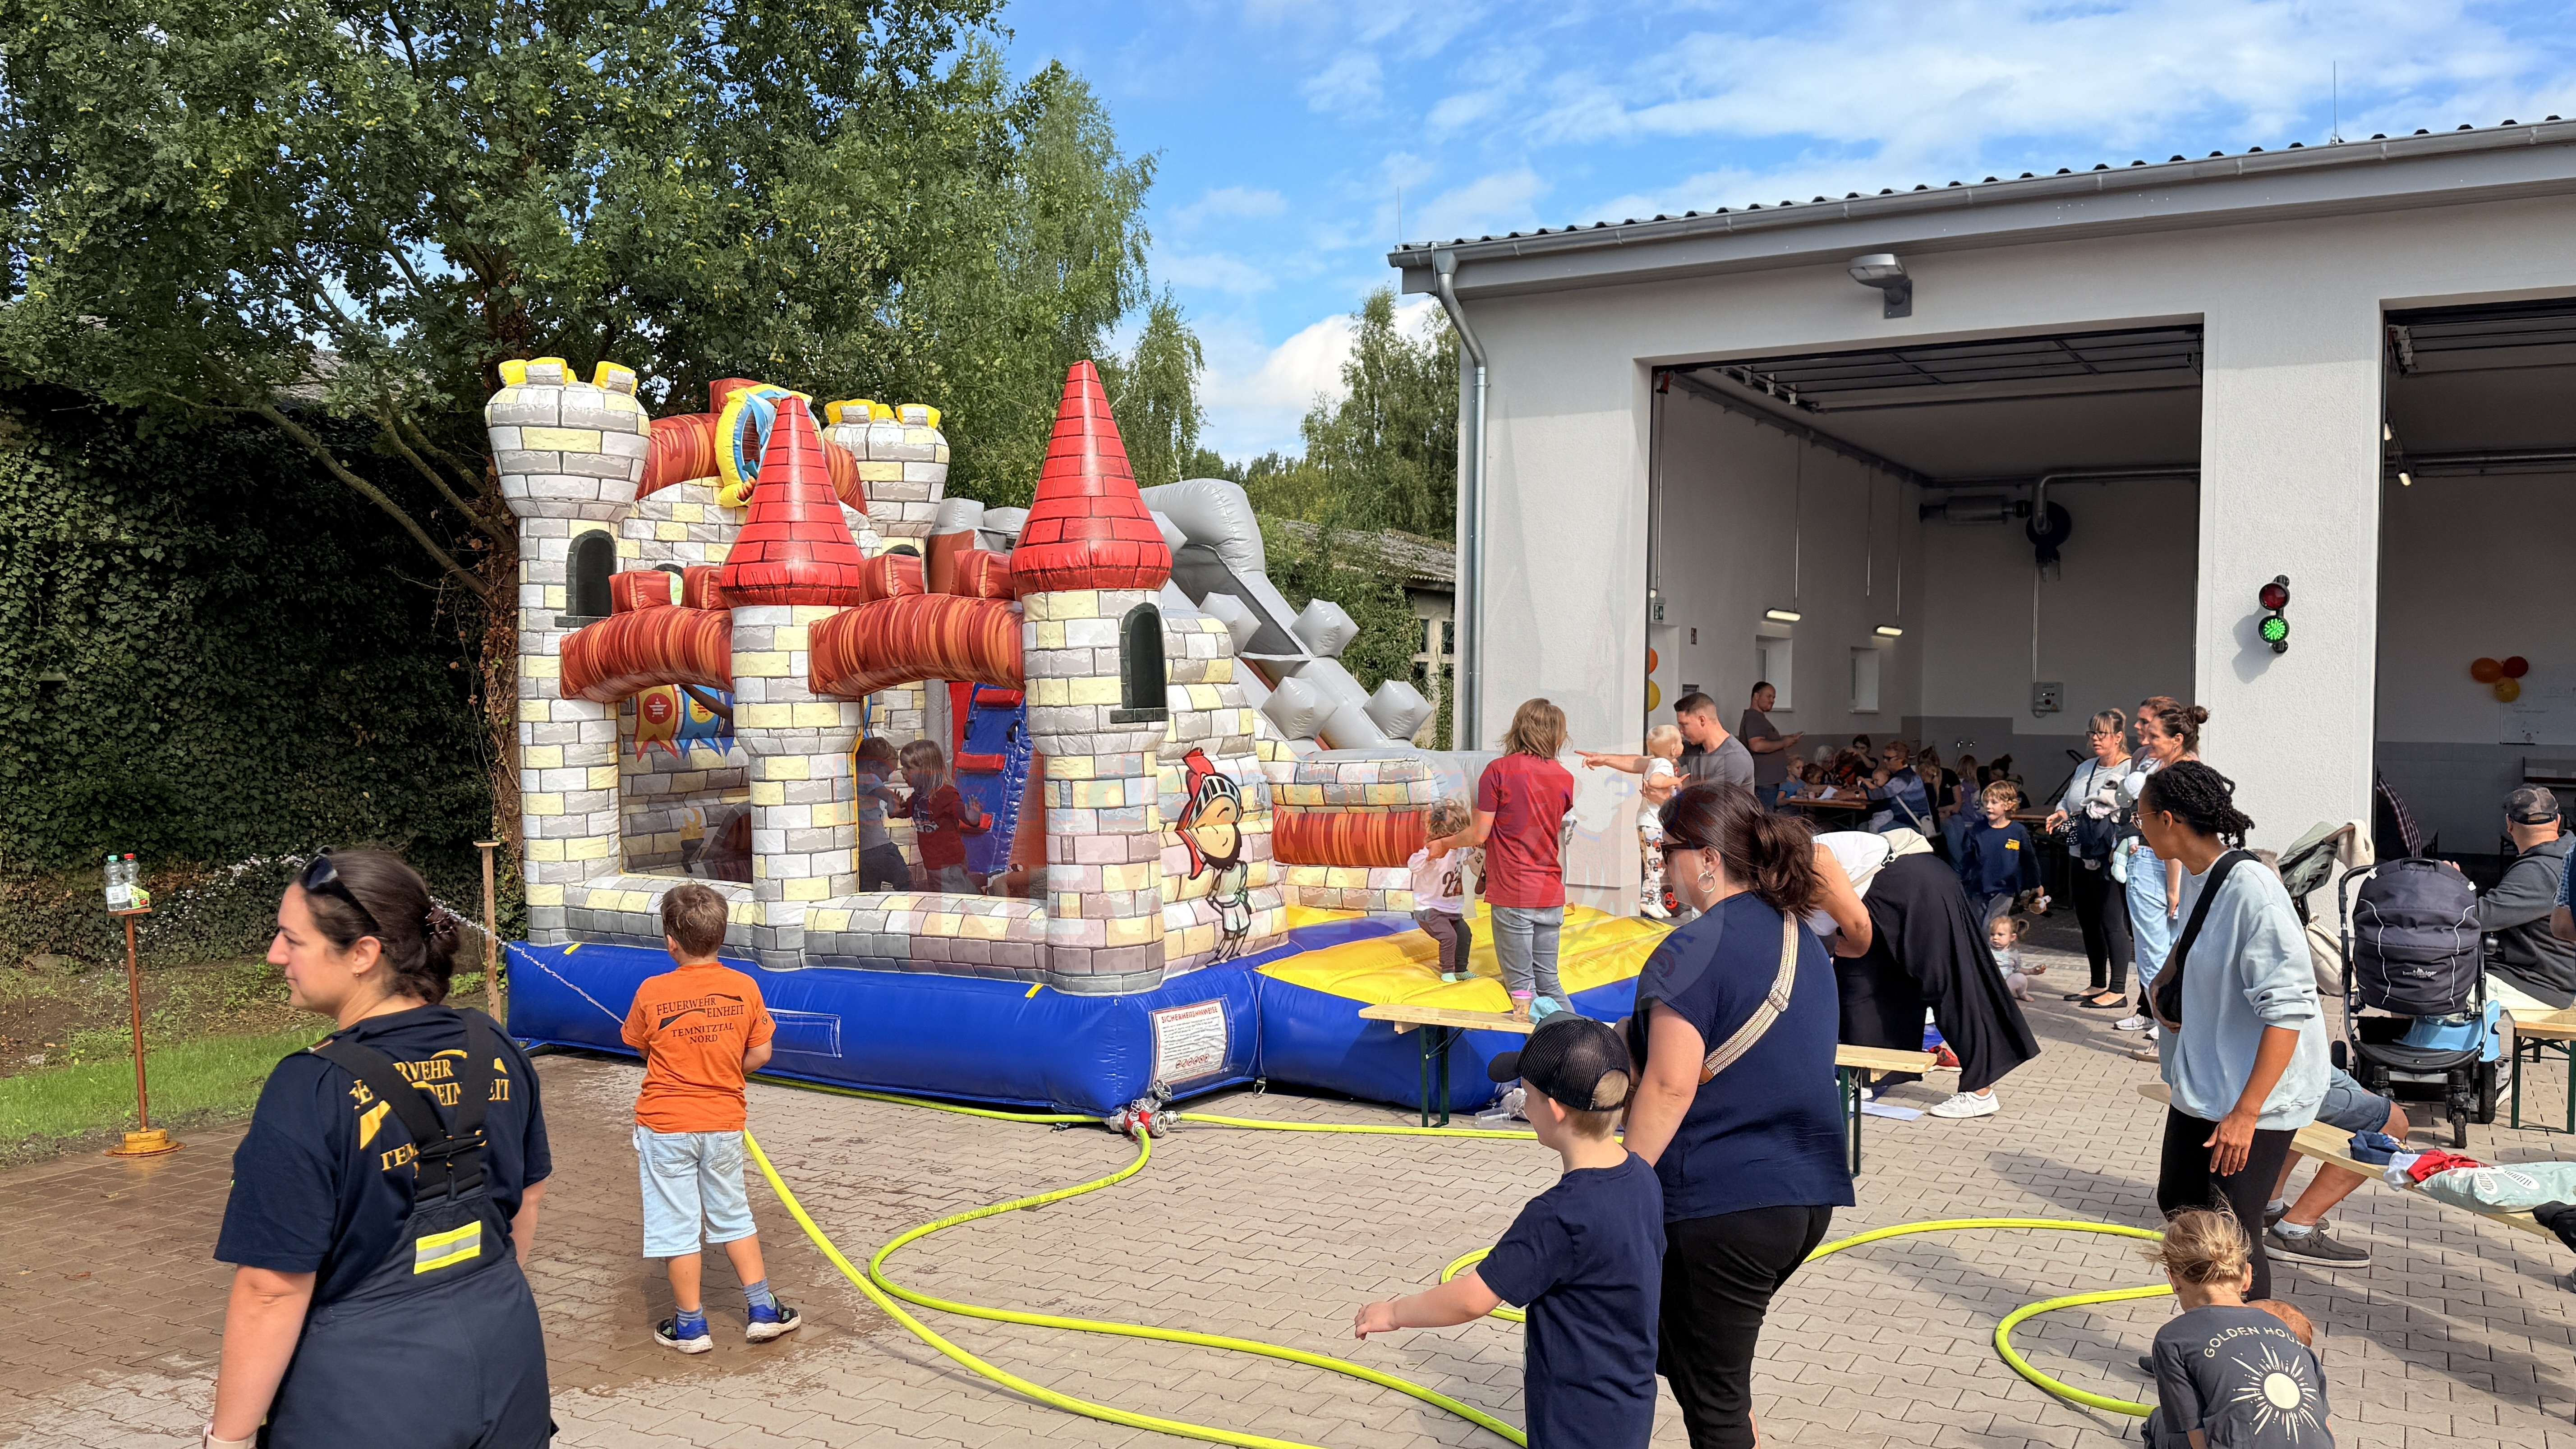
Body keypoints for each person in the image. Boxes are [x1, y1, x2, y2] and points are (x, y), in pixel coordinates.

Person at [209, 851, 553, 1449]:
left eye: (293, 939)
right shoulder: (494, 1045)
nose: (274, 955)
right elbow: (529, 1192)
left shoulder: (310, 1088)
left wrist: (229, 1440)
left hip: (368, 1397)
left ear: (363, 954)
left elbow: (271, 1289)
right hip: (507, 1364)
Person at [1621, 783, 1852, 1449]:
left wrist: (1620, 1186)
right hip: (1804, 1196)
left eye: (1666, 850)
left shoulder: (1690, 949)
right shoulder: (1800, 935)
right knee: (1703, 1364)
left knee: (1713, 1400)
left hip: (1722, 1202)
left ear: (1708, 859)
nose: (1661, 865)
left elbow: (1669, 1086)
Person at [1352, 1016, 1663, 1449]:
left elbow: (1473, 1298)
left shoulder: (1559, 1216)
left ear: (1554, 1108)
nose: (1523, 1104)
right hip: (1629, 1404)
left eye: (1527, 1094)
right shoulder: (1643, 1177)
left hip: (1576, 1420)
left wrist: (1394, 1312)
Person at [2140, 761, 2328, 1303]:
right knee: (2181, 1202)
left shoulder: (2254, 891)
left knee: (2233, 1231)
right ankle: (2207, 1326)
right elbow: (2192, 936)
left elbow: (2288, 1011)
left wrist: (2246, 1114)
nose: (2138, 827)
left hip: (2257, 1095)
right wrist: (2164, 980)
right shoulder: (2200, 873)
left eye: (2141, 816)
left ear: (2169, 820)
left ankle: (2248, 1339)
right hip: (2206, 1082)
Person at [622, 883, 800, 1352]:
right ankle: (762, 1310)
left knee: (676, 1224)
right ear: (722, 936)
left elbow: (641, 1046)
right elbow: (762, 1051)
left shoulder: (651, 991)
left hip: (665, 1126)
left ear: (671, 942)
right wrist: (724, 1069)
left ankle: (691, 1326)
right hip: (722, 1123)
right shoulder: (745, 986)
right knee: (733, 1213)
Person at [1837, 836, 2041, 1120]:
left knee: (1946, 980)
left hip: (1915, 885)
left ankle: (1980, 1090)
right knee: (1862, 977)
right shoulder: (1799, 859)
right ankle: (1865, 1075)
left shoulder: (1807, 858)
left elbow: (1852, 926)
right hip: (1895, 888)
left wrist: (1849, 946)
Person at [2140, 1208, 2334, 1449]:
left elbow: (2195, 1435)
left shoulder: (2173, 1338)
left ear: (2174, 1280)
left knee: (2159, 1421)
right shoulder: (2283, 1327)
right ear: (2248, 1276)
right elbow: (2322, 1422)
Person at [1434, 699, 1578, 1021]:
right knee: (1549, 983)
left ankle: (1553, 1050)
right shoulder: (1564, 777)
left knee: (1522, 990)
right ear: (1556, 734)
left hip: (1514, 891)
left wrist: (1443, 843)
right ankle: (1583, 1040)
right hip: (1550, 892)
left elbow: (1479, 834)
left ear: (1519, 728)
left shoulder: (1499, 771)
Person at [2117, 697, 2207, 1047]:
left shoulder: (2175, 775)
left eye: (2154, 734)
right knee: (2169, 949)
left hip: (2159, 866)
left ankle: (2167, 1030)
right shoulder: (2185, 768)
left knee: (2154, 953)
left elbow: (2175, 836)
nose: (2147, 740)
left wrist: (2173, 887)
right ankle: (2167, 1025)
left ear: (2177, 739)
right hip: (2166, 866)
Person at [2263, 1066, 2408, 1267]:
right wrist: (2349, 1085)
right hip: (2274, 1083)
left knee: (2310, 1102)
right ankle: (2294, 1231)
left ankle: (2267, 1205)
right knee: (2393, 1120)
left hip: (2263, 1079)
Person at [2045, 710, 2137, 1010]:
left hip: (2110, 855)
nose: (2095, 739)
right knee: (2088, 920)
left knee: (2112, 921)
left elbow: (2133, 808)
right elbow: (2067, 800)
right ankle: (2098, 982)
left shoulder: (2130, 769)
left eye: (2102, 733)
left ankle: (2118, 989)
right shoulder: (2085, 767)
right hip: (2079, 851)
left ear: (2119, 737)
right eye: (2092, 733)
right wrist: (2061, 812)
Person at [2484, 786, 2576, 1010]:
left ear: (2509, 824)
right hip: (2555, 978)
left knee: (2437, 988)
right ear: (2558, 821)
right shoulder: (2564, 856)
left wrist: (2453, 886)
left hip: (2538, 984)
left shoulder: (2540, 870)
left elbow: (2480, 918)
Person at [1580, 724, 1685, 918]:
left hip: (1652, 822)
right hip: (1653, 823)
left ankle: (1654, 899)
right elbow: (1655, 781)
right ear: (1673, 749)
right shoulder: (1663, 765)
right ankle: (1649, 900)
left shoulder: (1657, 762)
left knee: (1656, 864)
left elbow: (1640, 764)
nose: (1683, 744)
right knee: (1655, 865)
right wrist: (1674, 782)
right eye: (1680, 741)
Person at [900, 739, 990, 893]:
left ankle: (982, 894)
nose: (903, 772)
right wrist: (894, 809)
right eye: (903, 766)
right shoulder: (917, 797)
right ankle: (978, 892)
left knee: (953, 897)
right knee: (943, 894)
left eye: (908, 767)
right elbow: (904, 812)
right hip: (932, 863)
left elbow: (964, 814)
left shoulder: (945, 794)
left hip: (949, 863)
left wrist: (972, 816)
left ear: (927, 771)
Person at [1409, 797, 1477, 980]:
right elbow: (1413, 865)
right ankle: (1447, 971)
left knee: (1464, 934)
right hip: (1429, 908)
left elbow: (1474, 850)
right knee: (1449, 937)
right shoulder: (1433, 850)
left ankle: (1460, 969)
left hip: (1451, 910)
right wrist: (1429, 858)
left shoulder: (1461, 850)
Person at [1955, 780, 2039, 921]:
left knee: (1992, 926)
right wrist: (1959, 880)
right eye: (1986, 802)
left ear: (2008, 805)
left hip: (2005, 889)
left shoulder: (2017, 831)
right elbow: (1967, 858)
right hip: (1979, 888)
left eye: (1994, 802)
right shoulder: (1977, 829)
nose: (1988, 806)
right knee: (1978, 927)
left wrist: (2036, 884)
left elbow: (2029, 859)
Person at [854, 737, 911, 892]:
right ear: (872, 766)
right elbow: (887, 795)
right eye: (887, 773)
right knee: (907, 884)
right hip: (881, 848)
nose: (886, 779)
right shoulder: (869, 778)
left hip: (862, 852)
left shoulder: (852, 779)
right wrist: (894, 803)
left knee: (869, 893)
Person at [1737, 682, 1802, 807]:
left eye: (1774, 698)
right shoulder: (1754, 718)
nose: (1772, 701)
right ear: (1757, 696)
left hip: (1767, 782)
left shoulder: (1759, 718)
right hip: (1763, 782)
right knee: (1765, 816)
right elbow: (1757, 745)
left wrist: (1786, 740)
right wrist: (1784, 743)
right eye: (1769, 696)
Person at [1672, 691, 1754, 789]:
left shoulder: (1734, 758)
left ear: (1702, 720)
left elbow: (1710, 797)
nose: (1681, 731)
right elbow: (1663, 757)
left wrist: (1681, 787)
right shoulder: (1693, 747)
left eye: (1684, 725)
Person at [1862, 740, 1933, 835]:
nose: (1884, 761)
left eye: (1888, 758)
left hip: (1912, 826)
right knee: (1863, 827)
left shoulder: (1904, 778)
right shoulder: (1902, 774)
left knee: (1872, 829)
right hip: (1904, 821)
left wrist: (1854, 794)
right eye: (1884, 757)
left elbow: (1879, 794)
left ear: (1901, 760)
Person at [1989, 914, 2042, 1001]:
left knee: (2020, 977)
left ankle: (2022, 994)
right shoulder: (1986, 949)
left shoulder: (2013, 953)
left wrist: (2031, 971)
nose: (1995, 938)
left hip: (2006, 987)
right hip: (1988, 985)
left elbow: (2017, 969)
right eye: (1992, 934)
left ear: (2012, 937)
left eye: (2000, 935)